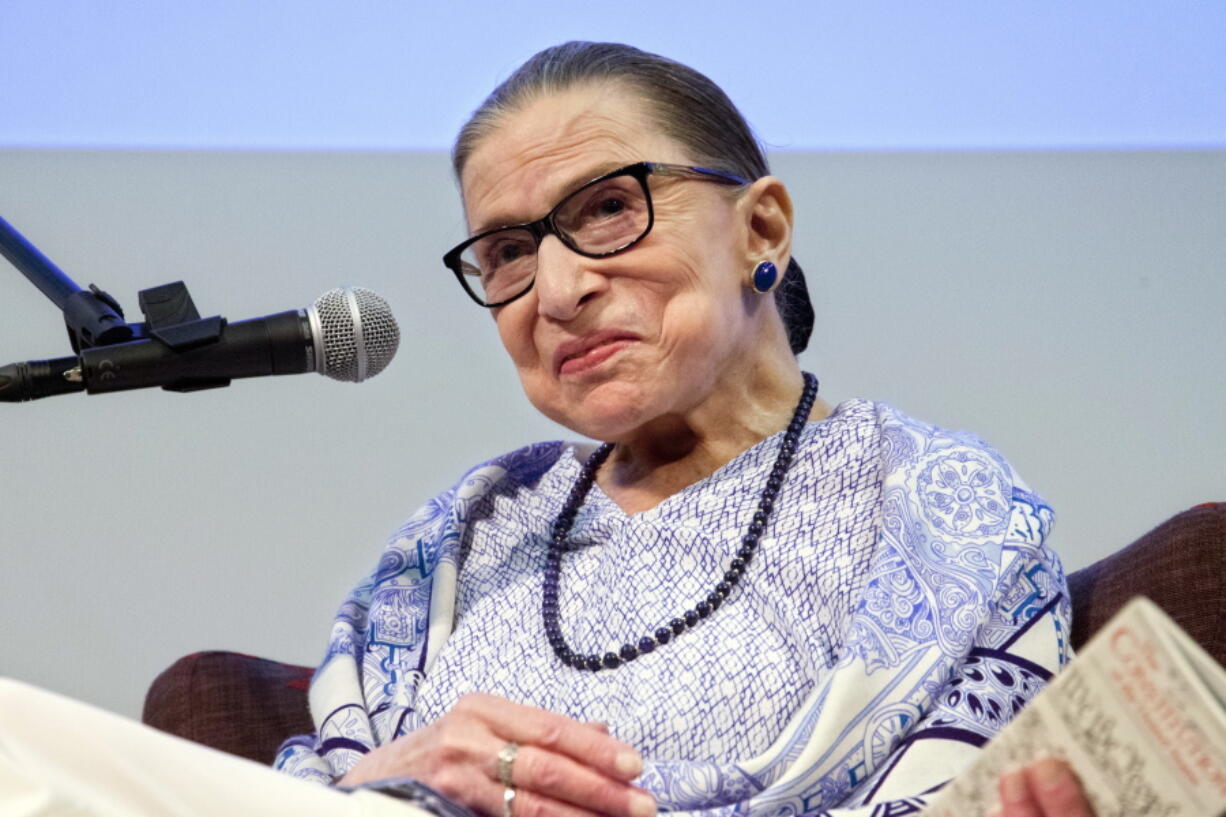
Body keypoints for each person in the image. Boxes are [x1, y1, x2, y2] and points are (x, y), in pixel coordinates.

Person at [0, 40, 1096, 817]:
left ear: (760, 224)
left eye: (607, 207)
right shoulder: (474, 527)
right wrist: (400, 770)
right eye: (508, 253)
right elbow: (301, 787)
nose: (556, 287)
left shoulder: (930, 500)